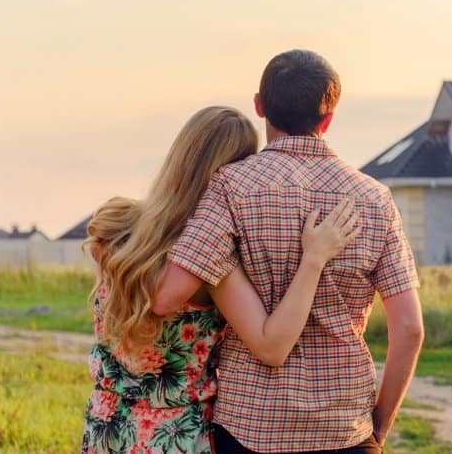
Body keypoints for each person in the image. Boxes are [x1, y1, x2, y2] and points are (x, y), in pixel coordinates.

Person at [153, 50, 424, 454]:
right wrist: (378, 429)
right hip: (344, 428)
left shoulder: (231, 186)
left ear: (260, 105)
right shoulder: (375, 199)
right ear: (328, 118)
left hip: (250, 428)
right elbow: (410, 329)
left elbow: (171, 292)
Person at [80, 106, 359, 454]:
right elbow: (271, 344)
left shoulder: (116, 226)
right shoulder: (211, 266)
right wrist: (313, 260)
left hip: (107, 425)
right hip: (175, 436)